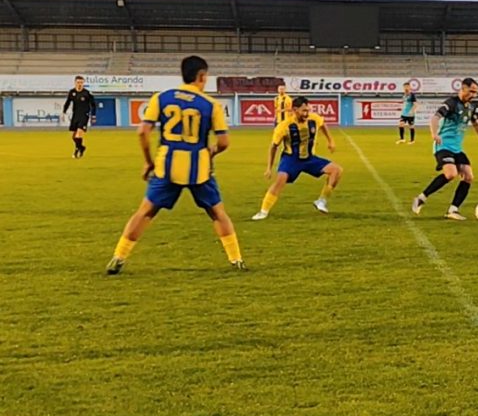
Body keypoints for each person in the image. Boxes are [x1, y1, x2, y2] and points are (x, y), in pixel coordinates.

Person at [106, 56, 245, 274]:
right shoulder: (211, 105)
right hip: (199, 168)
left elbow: (142, 132)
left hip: (166, 166)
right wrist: (211, 151)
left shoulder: (161, 98)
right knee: (217, 213)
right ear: (201, 76)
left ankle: (118, 257)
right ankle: (236, 260)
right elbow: (224, 142)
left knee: (145, 212)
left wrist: (148, 161)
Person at [411, 78, 478, 220]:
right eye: (471, 91)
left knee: (468, 177)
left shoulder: (470, 107)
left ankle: (453, 210)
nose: (473, 95)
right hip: (443, 145)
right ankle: (421, 198)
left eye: (476, 93)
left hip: (457, 148)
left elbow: (476, 125)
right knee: (451, 174)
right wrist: (434, 134)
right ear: (463, 88)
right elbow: (435, 118)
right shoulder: (451, 103)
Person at [252, 96, 342, 219]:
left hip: (309, 158)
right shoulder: (284, 126)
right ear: (295, 110)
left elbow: (323, 125)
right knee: (280, 181)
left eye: (308, 110)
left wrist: (330, 141)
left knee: (336, 170)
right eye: (303, 110)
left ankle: (321, 201)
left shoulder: (313, 119)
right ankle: (263, 211)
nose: (306, 113)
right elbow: (273, 147)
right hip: (291, 159)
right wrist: (269, 168)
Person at [63, 76, 96, 158]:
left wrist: (93, 116)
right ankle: (82, 147)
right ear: (75, 83)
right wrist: (64, 112)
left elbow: (93, 105)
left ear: (83, 83)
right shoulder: (72, 92)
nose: (79, 84)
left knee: (79, 134)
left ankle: (76, 151)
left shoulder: (87, 93)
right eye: (78, 82)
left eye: (81, 82)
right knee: (74, 137)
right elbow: (67, 102)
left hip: (84, 115)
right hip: (75, 115)